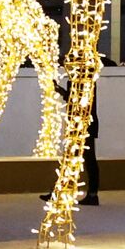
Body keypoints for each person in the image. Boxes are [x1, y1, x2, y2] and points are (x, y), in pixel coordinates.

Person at [41, 72, 100, 206]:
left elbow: (77, 101)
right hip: (81, 123)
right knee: (78, 158)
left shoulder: (84, 79)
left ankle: (69, 193)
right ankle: (68, 192)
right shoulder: (83, 78)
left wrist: (62, 91)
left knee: (83, 159)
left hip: (83, 124)